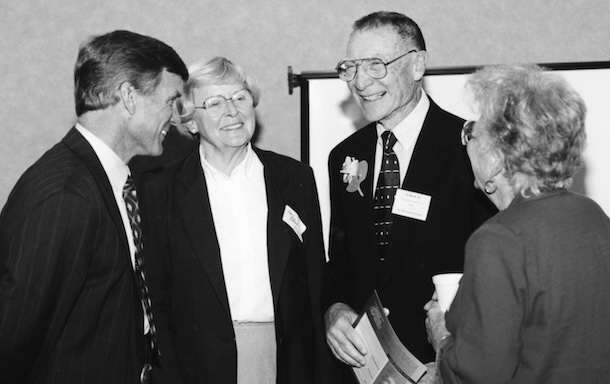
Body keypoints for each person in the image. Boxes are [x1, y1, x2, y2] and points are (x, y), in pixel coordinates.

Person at [0, 30, 187, 384]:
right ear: (130, 97)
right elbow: (15, 337)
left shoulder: (107, 179)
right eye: (170, 100)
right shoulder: (66, 195)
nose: (175, 118)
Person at [322, 10, 496, 380]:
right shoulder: (344, 157)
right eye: (350, 68)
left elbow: (492, 275)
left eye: (376, 65)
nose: (361, 81)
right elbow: (341, 262)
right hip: (365, 367)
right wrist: (334, 310)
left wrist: (453, 356)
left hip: (443, 366)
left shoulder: (469, 148)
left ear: (417, 64)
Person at [139, 56, 331, 384]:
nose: (231, 111)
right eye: (214, 103)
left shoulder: (294, 178)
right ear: (191, 121)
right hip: (198, 366)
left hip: (287, 360)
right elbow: (156, 300)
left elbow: (316, 286)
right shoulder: (160, 190)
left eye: (240, 97)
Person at [424, 64, 610, 383]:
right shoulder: (592, 216)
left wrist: (443, 339)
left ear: (496, 159)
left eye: (474, 131)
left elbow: (479, 374)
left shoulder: (498, 239)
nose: (467, 140)